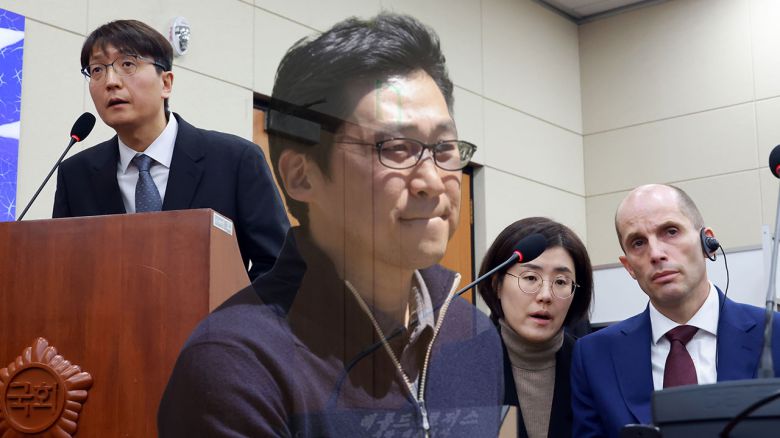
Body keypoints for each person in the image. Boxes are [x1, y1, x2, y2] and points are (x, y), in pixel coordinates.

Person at [157, 13, 504, 437]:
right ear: (302, 176)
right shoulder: (236, 363)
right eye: (396, 148)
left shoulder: (475, 336)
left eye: (444, 147)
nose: (432, 181)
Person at [52, 19, 288, 280]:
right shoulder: (75, 175)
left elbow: (280, 268)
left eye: (127, 64)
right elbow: (63, 271)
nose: (110, 81)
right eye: (97, 69)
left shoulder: (235, 160)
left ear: (166, 83)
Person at [570, 183, 780, 437]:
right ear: (629, 267)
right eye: (638, 242)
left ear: (707, 242)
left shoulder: (774, 334)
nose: (656, 253)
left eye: (670, 231)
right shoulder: (594, 356)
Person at [478, 217, 592, 438]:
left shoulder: (593, 367)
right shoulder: (458, 366)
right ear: (497, 284)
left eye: (561, 281)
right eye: (530, 277)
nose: (545, 295)